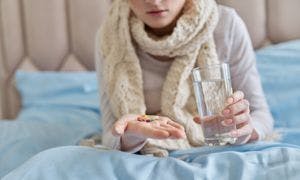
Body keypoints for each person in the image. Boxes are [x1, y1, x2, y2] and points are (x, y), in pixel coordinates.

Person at [95, 0, 274, 157]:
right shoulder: (110, 35)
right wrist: (131, 136)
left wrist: (243, 129)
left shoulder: (226, 25)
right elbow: (111, 131)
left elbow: (261, 115)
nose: (154, 1)